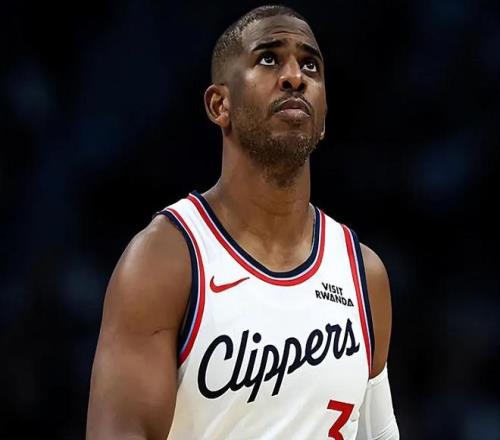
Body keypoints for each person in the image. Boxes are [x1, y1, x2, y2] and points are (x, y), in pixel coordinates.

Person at [86, 5, 399, 439]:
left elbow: (380, 434)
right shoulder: (166, 261)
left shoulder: (363, 275)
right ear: (220, 105)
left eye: (310, 65)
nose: (295, 77)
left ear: (324, 116)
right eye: (269, 59)